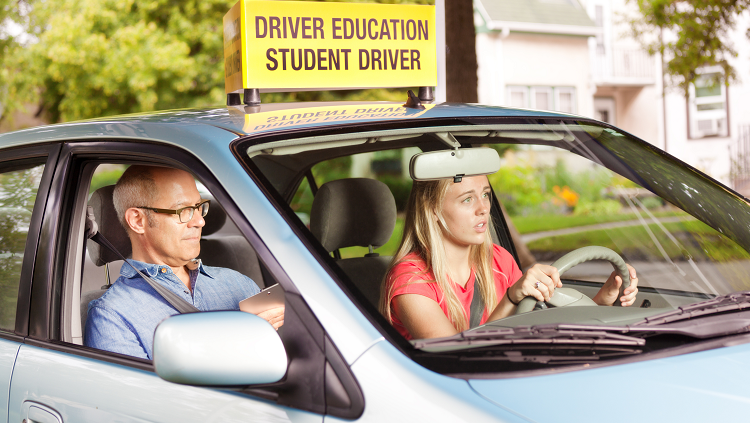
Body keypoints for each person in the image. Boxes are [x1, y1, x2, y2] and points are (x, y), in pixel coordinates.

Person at [379, 175, 639, 340]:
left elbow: (539, 330)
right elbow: (456, 360)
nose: (484, 208)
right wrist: (511, 297)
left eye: (485, 194)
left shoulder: (499, 260)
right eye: (467, 199)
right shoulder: (410, 281)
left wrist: (602, 301)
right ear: (433, 210)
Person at [85, 165, 284, 359]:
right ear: (138, 220)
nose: (199, 221)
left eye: (199, 207)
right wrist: (239, 345)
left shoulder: (239, 284)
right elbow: (142, 393)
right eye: (183, 210)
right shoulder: (113, 315)